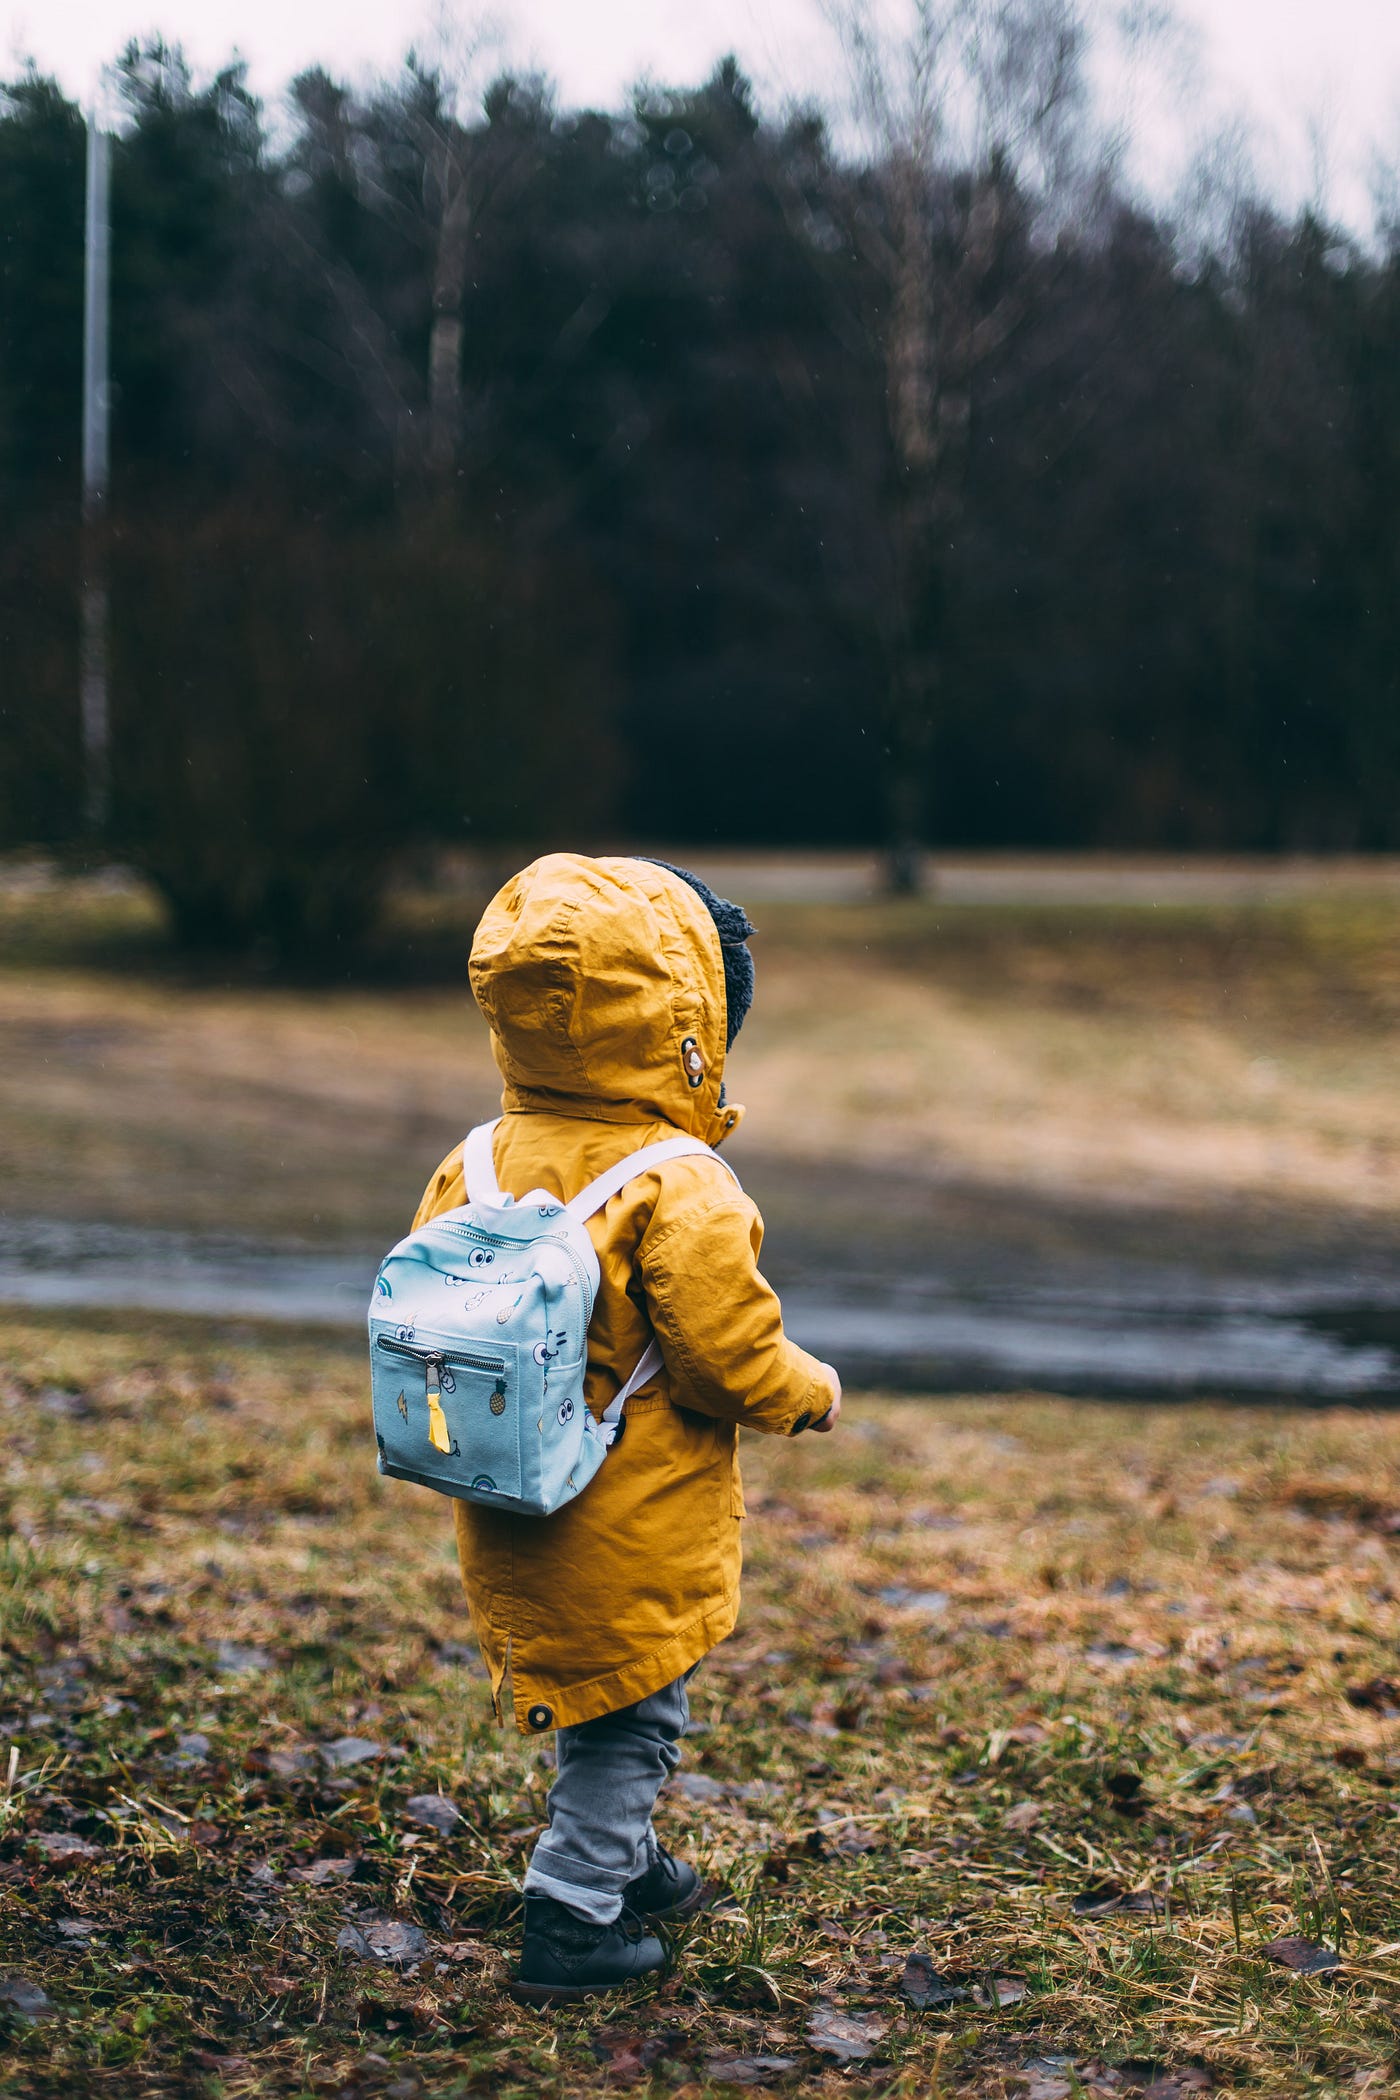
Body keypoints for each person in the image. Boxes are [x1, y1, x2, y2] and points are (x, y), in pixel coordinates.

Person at [410, 852, 841, 2001]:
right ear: (686, 1023)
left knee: (602, 1691)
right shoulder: (677, 1181)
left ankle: (629, 1860)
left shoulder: (479, 1160)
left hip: (509, 1495)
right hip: (628, 1508)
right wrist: (809, 1389)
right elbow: (724, 1356)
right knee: (635, 1716)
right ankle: (574, 1911)